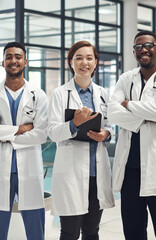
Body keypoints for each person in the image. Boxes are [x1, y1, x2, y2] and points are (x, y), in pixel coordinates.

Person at [107, 31, 156, 240]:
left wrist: (128, 105)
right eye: (138, 47)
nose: (144, 50)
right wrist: (149, 116)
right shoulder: (126, 78)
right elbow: (112, 112)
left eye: (148, 45)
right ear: (134, 52)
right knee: (133, 233)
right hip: (130, 171)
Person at [0, 41, 48, 240]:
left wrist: (5, 136)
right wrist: (19, 129)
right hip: (0, 169)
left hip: (29, 169)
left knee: (36, 230)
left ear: (25, 62)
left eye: (18, 57)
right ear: (3, 62)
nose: (13, 60)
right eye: (9, 57)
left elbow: (41, 134)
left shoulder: (38, 95)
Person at [48, 40, 115, 240]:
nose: (84, 62)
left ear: (95, 63)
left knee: (92, 231)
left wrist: (106, 135)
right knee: (69, 232)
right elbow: (52, 132)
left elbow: (109, 126)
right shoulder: (61, 94)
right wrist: (74, 124)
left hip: (96, 174)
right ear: (70, 62)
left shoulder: (103, 94)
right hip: (71, 174)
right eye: (78, 58)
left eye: (89, 58)